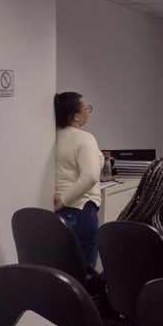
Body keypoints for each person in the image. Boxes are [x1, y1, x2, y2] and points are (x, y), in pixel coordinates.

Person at [54, 92, 103, 278]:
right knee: (84, 273)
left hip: (59, 213)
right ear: (75, 115)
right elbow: (90, 177)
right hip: (80, 209)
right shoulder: (85, 138)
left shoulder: (52, 137)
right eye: (86, 109)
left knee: (63, 270)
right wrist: (64, 200)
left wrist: (60, 202)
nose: (88, 113)